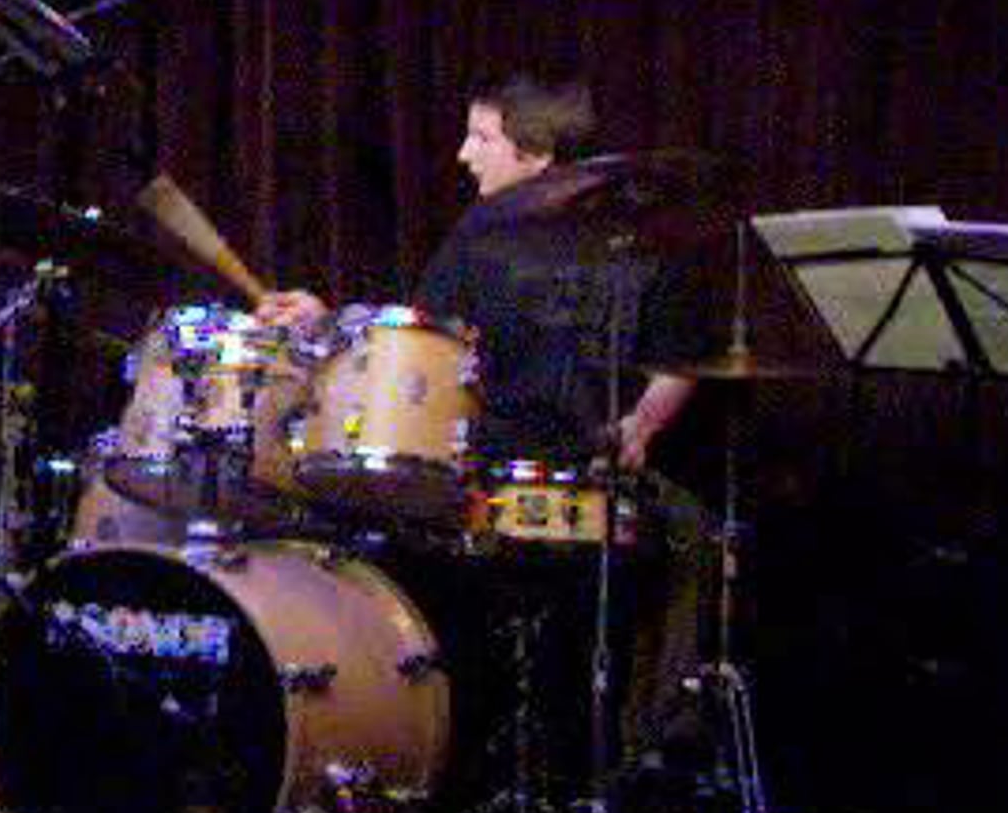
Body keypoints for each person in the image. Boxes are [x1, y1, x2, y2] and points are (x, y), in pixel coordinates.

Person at [259, 74, 716, 762]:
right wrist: (328, 321)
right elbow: (420, 340)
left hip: (593, 471)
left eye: (482, 138)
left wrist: (643, 424)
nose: (463, 154)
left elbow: (681, 360)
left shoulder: (640, 245)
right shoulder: (479, 235)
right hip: (487, 468)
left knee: (687, 541)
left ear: (537, 153)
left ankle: (647, 758)